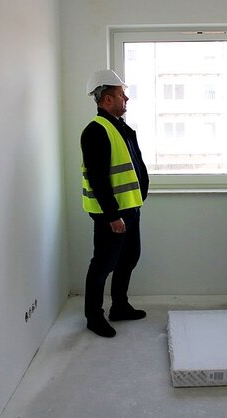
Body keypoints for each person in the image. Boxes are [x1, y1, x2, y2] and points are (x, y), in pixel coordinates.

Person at [80, 69, 149, 338]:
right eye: (121, 94)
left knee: (129, 258)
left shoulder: (121, 128)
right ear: (107, 99)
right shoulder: (96, 131)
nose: (126, 98)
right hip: (112, 215)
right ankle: (93, 316)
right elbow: (98, 179)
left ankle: (119, 306)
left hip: (130, 208)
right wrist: (112, 215)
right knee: (103, 264)